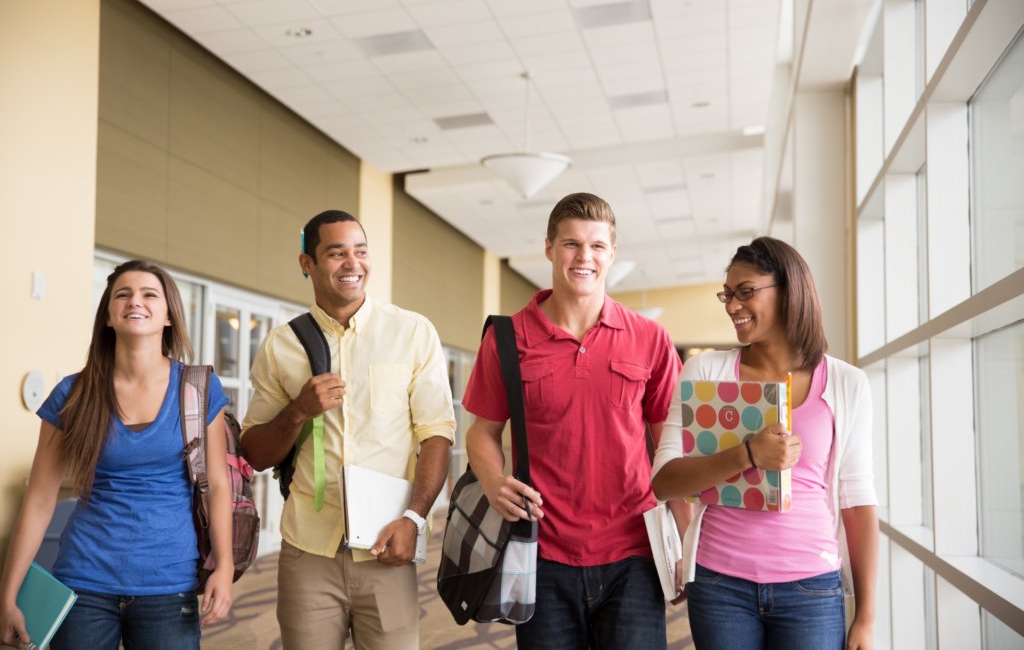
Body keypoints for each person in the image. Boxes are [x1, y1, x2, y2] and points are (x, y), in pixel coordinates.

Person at [463, 192, 685, 649]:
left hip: (635, 554)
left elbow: (672, 448)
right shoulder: (508, 337)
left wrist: (684, 544)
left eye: (597, 246)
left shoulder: (650, 338)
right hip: (542, 554)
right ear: (549, 248)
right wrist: (491, 479)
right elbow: (483, 432)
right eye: (571, 244)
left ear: (612, 253)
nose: (584, 257)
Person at [240, 209, 455, 650]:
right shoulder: (281, 345)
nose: (352, 264)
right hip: (308, 552)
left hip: (387, 546)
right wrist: (298, 411)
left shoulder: (412, 332)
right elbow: (255, 452)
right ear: (308, 264)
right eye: (336, 253)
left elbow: (436, 434)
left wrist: (415, 518)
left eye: (360, 251)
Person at [652, 236, 879, 650]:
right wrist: (748, 454)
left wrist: (865, 616)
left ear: (790, 290)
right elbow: (665, 482)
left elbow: (858, 501)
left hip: (811, 587)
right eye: (728, 294)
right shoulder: (705, 372)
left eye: (747, 292)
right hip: (719, 585)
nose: (732, 305)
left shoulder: (847, 383)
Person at [0, 260, 234, 650]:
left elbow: (218, 487)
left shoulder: (197, 388)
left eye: (148, 294)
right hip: (83, 582)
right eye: (121, 294)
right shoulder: (73, 394)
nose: (134, 301)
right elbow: (40, 500)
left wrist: (223, 566)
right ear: (108, 315)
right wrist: (7, 598)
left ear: (168, 315)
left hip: (169, 584)